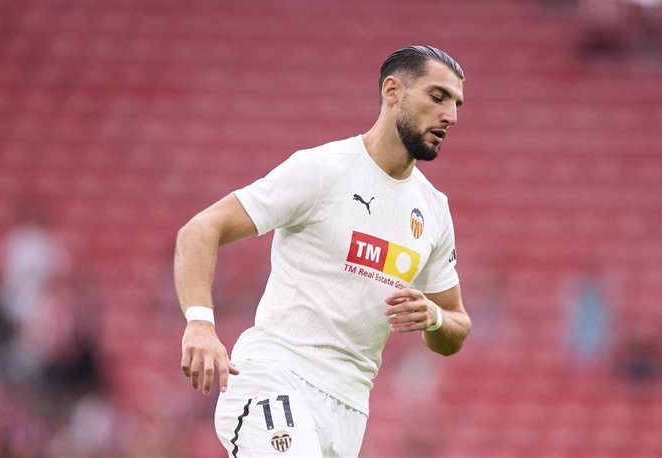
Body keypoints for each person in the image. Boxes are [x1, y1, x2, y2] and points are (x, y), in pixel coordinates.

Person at [174, 45, 472, 457]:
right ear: (392, 91)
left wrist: (434, 316)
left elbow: (455, 327)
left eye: (456, 104)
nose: (450, 116)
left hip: (349, 408)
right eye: (437, 97)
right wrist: (200, 324)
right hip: (276, 376)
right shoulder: (322, 170)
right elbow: (200, 229)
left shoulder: (434, 210)